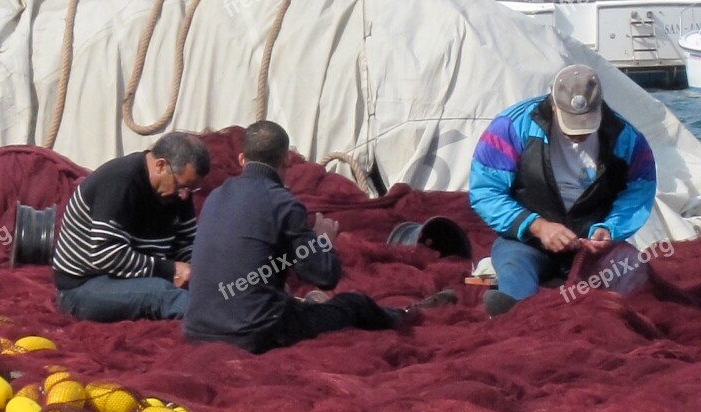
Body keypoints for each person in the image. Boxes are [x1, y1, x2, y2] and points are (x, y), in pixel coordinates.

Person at [183, 120, 455, 353]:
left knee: (297, 302)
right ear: (286, 159)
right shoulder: (282, 203)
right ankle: (403, 315)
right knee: (353, 304)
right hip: (253, 334)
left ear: (242, 159)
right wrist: (321, 240)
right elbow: (325, 276)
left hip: (197, 328)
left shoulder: (215, 197)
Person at [469, 64, 656, 316]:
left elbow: (639, 191)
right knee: (514, 268)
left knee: (631, 283)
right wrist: (538, 226)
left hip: (593, 248)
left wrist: (610, 229)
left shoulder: (626, 138)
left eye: (587, 123)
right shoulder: (511, 127)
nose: (579, 133)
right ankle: (514, 314)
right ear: (554, 105)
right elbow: (486, 192)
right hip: (527, 243)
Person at [53, 132, 210, 321]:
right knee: (160, 294)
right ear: (160, 165)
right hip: (83, 286)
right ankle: (218, 320)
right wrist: (171, 270)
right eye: (182, 187)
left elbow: (186, 244)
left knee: (206, 283)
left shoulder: (178, 192)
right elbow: (107, 255)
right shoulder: (119, 181)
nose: (185, 196)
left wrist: (200, 273)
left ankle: (228, 308)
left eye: (192, 190)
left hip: (136, 278)